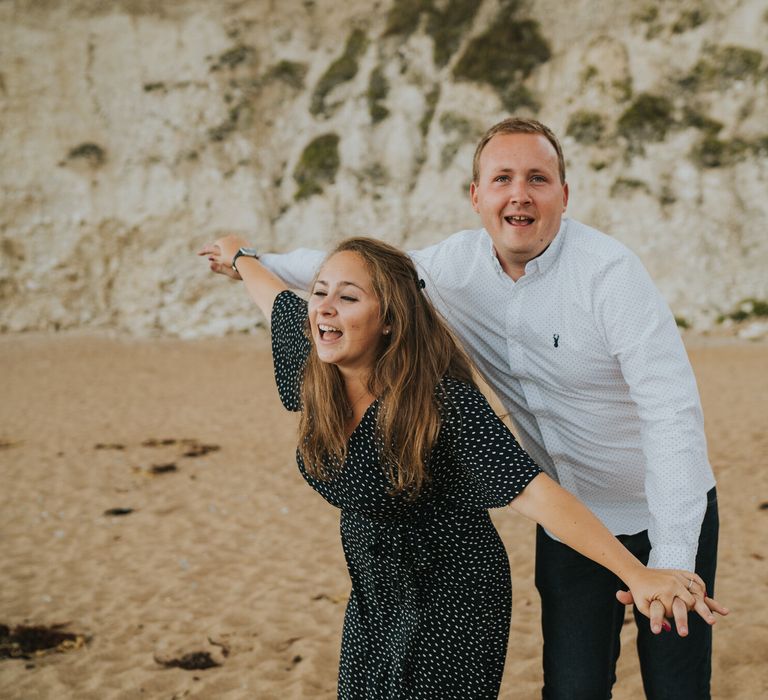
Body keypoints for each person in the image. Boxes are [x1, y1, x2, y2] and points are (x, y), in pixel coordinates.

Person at [249, 118, 728, 698]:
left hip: (662, 502)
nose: (519, 193)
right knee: (573, 688)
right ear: (477, 196)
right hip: (571, 509)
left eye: (538, 178)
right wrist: (254, 258)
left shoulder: (610, 276)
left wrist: (671, 565)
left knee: (677, 688)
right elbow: (360, 274)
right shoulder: (453, 266)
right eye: (502, 178)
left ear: (564, 195)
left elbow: (670, 414)